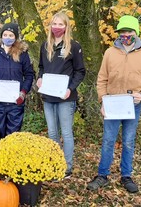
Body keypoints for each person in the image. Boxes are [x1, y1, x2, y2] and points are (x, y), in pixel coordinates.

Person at [87, 15, 141, 193]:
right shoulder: (110, 53)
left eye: (129, 31)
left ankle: (126, 176)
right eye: (122, 32)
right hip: (111, 103)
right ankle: (102, 175)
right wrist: (102, 100)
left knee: (128, 141)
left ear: (136, 33)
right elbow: (102, 79)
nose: (125, 34)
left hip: (132, 105)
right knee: (108, 140)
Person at [36, 12, 86, 179]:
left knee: (66, 133)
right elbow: (41, 67)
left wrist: (70, 89)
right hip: (48, 97)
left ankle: (67, 167)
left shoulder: (74, 46)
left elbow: (80, 71)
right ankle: (54, 164)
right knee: (52, 133)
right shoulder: (45, 45)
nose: (56, 27)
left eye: (60, 24)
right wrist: (39, 79)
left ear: (66, 27)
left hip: (65, 98)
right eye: (54, 24)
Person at [0, 23, 34, 139]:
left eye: (11, 35)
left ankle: (13, 156)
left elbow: (29, 75)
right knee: (2, 133)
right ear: (1, 36)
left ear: (15, 37)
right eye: (5, 34)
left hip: (16, 102)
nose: (7, 37)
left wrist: (23, 93)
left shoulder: (22, 54)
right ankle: (3, 156)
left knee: (13, 135)